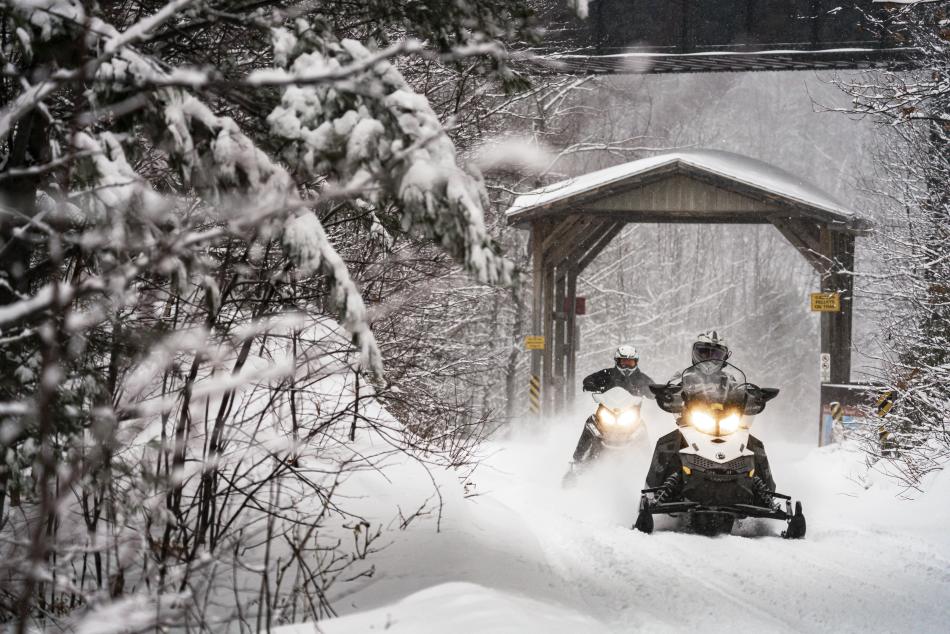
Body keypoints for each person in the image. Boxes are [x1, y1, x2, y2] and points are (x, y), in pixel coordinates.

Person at [645, 331, 775, 494]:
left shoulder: (729, 379)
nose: (710, 359)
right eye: (705, 352)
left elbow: (743, 393)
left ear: (724, 357)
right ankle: (652, 495)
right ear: (696, 353)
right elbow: (672, 389)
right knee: (666, 444)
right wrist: (667, 393)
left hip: (726, 424)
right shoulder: (683, 376)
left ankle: (767, 496)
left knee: (755, 446)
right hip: (691, 424)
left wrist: (756, 397)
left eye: (716, 354)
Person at [570, 345, 654, 464]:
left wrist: (658, 393)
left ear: (636, 362)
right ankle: (577, 461)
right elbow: (590, 379)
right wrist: (590, 383)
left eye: (630, 362)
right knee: (590, 423)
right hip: (605, 417)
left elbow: (654, 388)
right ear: (617, 361)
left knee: (642, 429)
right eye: (624, 362)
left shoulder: (641, 379)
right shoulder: (608, 374)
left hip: (631, 421)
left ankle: (650, 465)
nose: (627, 365)